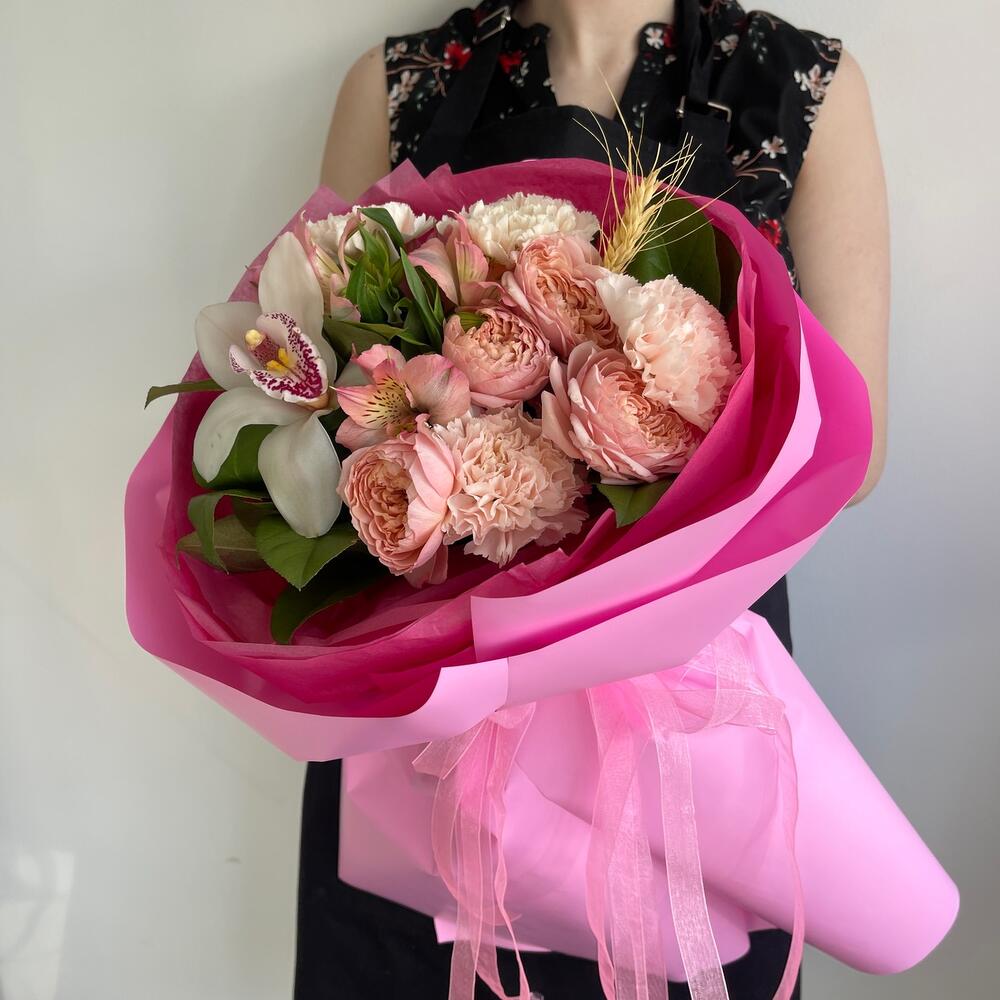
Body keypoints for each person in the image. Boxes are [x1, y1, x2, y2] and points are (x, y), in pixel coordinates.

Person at [295, 2, 889, 997]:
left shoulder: (795, 87)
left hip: (687, 689)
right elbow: (325, 397)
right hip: (436, 699)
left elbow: (852, 451)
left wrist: (617, 442)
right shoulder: (398, 85)